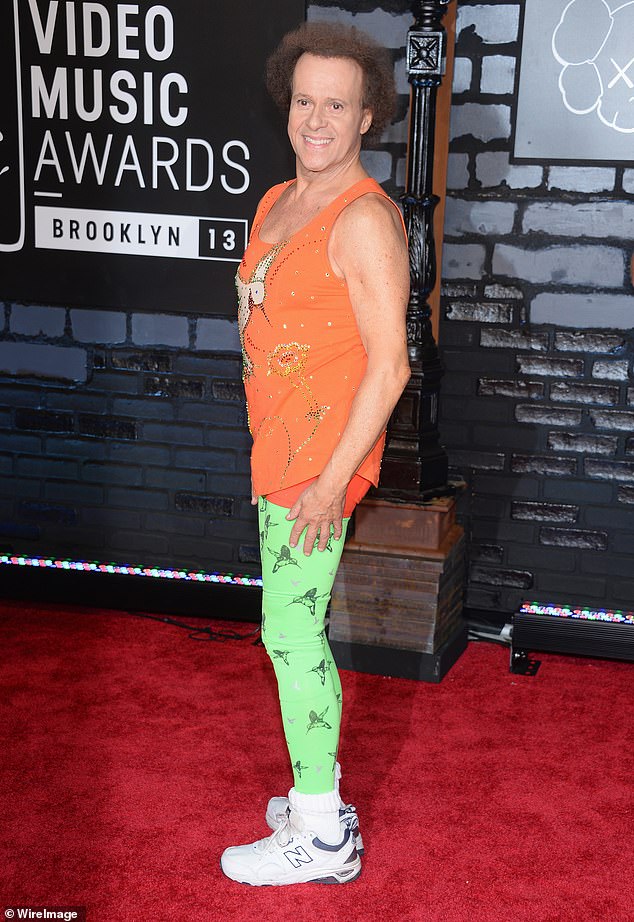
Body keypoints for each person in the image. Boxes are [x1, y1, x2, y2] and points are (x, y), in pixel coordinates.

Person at [221, 20, 411, 887]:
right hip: (279, 445)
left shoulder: (366, 219)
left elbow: (393, 364)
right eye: (305, 100)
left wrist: (334, 481)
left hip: (317, 466)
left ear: (367, 114)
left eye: (337, 104)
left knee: (292, 635)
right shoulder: (274, 201)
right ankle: (318, 789)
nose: (317, 119)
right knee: (292, 633)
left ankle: (320, 835)